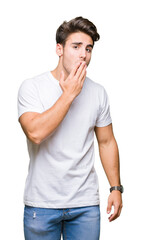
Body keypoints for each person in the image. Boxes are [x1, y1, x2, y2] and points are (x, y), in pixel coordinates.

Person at [17, 16, 123, 240]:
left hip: (85, 205)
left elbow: (106, 142)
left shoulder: (98, 92)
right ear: (59, 49)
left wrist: (116, 188)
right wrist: (69, 94)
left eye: (88, 48)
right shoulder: (32, 87)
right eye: (76, 47)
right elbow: (35, 133)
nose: (83, 54)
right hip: (42, 204)